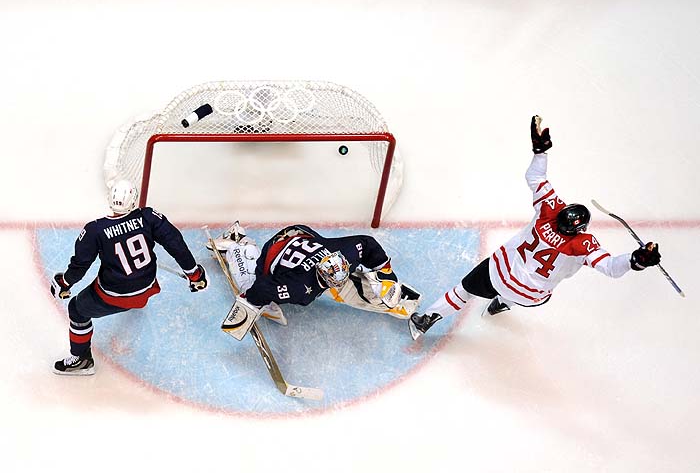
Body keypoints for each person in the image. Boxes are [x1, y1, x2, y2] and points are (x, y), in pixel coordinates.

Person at [409, 115, 662, 340]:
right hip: (532, 296)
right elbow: (611, 268)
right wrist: (636, 259)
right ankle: (501, 304)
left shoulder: (549, 209)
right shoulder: (583, 244)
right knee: (533, 288)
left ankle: (425, 320)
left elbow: (535, 178)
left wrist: (540, 151)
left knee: (463, 291)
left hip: (500, 273)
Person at [50, 179, 208, 375]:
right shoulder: (149, 217)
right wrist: (194, 274)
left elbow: (79, 267)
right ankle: (130, 304)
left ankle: (82, 360)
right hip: (147, 287)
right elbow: (175, 242)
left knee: (76, 309)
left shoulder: (94, 230)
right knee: (116, 284)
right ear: (134, 201)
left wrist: (63, 283)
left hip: (115, 295)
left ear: (109, 200)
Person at [210, 222, 422, 331]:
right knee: (252, 284)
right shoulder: (298, 287)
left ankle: (377, 291)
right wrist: (252, 303)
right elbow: (263, 288)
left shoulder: (345, 253)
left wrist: (386, 273)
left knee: (345, 285)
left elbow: (367, 243)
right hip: (274, 251)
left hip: (301, 234)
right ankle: (237, 242)